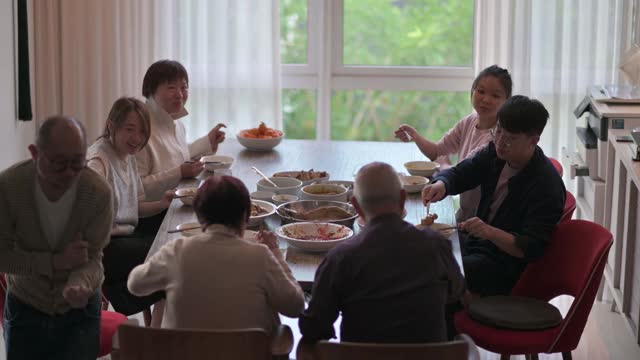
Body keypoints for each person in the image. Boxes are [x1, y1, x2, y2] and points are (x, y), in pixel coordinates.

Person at [299, 162, 465, 344]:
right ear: (402, 199)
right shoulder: (436, 245)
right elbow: (458, 294)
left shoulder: (342, 257)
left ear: (356, 206)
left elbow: (313, 326)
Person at [422, 95, 566, 297]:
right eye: (498, 131)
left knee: (437, 271)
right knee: (425, 249)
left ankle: (445, 323)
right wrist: (442, 184)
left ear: (533, 141)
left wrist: (488, 231)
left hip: (504, 266)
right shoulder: (497, 153)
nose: (499, 141)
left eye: (510, 138)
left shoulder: (546, 185)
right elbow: (464, 172)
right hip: (477, 245)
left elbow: (530, 247)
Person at [127, 175, 305, 332]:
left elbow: (135, 285)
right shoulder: (260, 255)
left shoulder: (177, 251)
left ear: (198, 214)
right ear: (246, 216)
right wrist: (275, 252)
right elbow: (295, 306)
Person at [0, 116, 113, 359]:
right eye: (59, 164)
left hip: (80, 312)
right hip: (25, 305)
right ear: (34, 153)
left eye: (78, 162)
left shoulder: (97, 192)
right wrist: (54, 263)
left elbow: (93, 258)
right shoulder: (9, 187)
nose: (70, 173)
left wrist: (79, 284)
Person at [86, 97, 174, 319]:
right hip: (106, 245)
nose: (137, 138)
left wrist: (162, 203)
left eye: (142, 132)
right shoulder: (98, 159)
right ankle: (152, 332)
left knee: (174, 223)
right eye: (130, 129)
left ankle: (136, 301)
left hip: (127, 232)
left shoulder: (128, 154)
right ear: (111, 126)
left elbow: (135, 207)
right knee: (169, 257)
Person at [395, 65, 512, 221]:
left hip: (484, 221)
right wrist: (415, 136)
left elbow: (463, 171)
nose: (486, 99)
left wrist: (442, 164)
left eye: (495, 96)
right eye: (481, 91)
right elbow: (437, 151)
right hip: (464, 215)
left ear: (507, 101)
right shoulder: (469, 121)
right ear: (472, 91)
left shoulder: (498, 138)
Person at [136, 59, 227, 202]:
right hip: (153, 215)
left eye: (183, 87)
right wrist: (179, 173)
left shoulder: (176, 124)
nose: (179, 94)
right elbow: (136, 188)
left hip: (176, 203)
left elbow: (175, 158)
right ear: (151, 90)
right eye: (171, 87)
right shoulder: (138, 129)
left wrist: (207, 143)